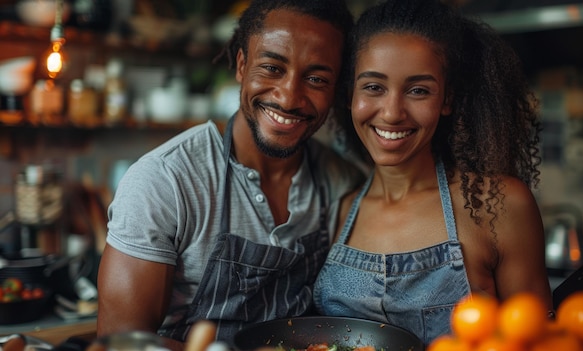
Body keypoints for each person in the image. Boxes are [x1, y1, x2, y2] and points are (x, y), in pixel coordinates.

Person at [96, 1, 362, 349]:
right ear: (241, 66)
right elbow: (121, 344)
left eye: (316, 78)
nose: (289, 97)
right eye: (271, 67)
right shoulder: (164, 181)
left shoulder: (339, 182)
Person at [313, 0, 553, 345]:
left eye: (418, 90)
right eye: (373, 87)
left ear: (446, 99)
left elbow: (539, 339)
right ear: (350, 94)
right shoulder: (340, 206)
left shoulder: (497, 206)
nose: (393, 113)